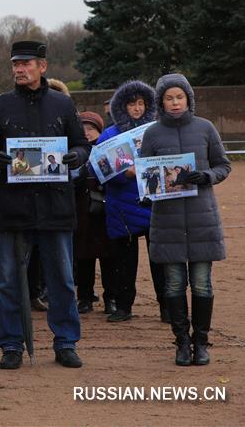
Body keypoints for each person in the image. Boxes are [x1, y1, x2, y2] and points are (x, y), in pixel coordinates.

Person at [0, 40, 91, 370]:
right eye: (15, 64)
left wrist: (75, 157)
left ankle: (65, 341)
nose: (19, 69)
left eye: (26, 63)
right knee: (9, 281)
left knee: (62, 280)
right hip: (16, 209)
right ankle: (11, 344)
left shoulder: (62, 105)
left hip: (56, 207)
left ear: (42, 66)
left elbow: (82, 145)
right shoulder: (1, 106)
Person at [141, 74, 231, 366]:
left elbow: (223, 165)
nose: (175, 102)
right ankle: (181, 342)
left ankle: (201, 342)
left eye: (179, 97)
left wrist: (207, 176)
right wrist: (147, 189)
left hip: (202, 217)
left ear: (188, 99)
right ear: (161, 102)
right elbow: (145, 173)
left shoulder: (205, 128)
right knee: (174, 285)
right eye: (169, 98)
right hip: (167, 221)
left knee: (202, 284)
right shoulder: (152, 134)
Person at [97, 80, 164, 323]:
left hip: (153, 203)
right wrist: (126, 173)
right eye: (131, 104)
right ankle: (123, 306)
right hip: (121, 206)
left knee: (160, 260)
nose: (136, 108)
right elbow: (99, 169)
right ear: (121, 106)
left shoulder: (157, 130)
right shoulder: (109, 134)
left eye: (141, 103)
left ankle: (167, 306)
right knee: (123, 262)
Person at [73, 112, 116, 315]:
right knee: (83, 257)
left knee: (109, 258)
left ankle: (111, 297)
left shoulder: (108, 149)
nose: (86, 133)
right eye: (83, 129)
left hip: (106, 210)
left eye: (90, 129)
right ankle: (85, 297)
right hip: (81, 210)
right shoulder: (74, 152)